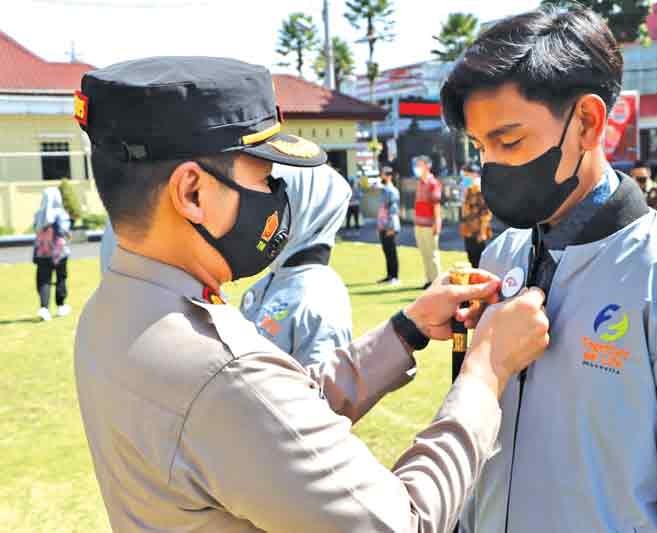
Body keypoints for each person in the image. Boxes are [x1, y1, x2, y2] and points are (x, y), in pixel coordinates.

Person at [73, 56, 553, 533]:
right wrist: (485, 372)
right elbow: (401, 524)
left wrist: (405, 330)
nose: (276, 196)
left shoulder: (117, 309)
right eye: (263, 178)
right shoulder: (219, 370)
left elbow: (271, 426)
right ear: (193, 193)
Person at [440, 7, 657, 532]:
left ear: (587, 121)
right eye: (480, 146)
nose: (490, 167)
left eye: (509, 141)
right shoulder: (500, 259)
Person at [239, 163, 353, 366]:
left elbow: (323, 393)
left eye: (275, 204)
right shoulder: (267, 283)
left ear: (306, 208)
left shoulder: (319, 301)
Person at [32, 187, 71, 321]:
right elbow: (64, 230)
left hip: (42, 252)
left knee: (44, 280)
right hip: (59, 252)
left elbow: (35, 229)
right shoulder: (61, 213)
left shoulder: (38, 214)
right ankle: (61, 305)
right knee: (61, 278)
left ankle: (44, 308)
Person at [413, 155, 442, 289]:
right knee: (424, 253)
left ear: (427, 166)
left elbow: (436, 204)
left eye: (420, 165)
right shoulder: (420, 182)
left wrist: (437, 222)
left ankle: (436, 282)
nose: (418, 168)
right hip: (419, 224)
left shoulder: (433, 183)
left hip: (429, 224)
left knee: (432, 254)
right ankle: (429, 280)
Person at [459, 162, 492, 268]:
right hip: (468, 229)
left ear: (474, 174)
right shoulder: (467, 188)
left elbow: (485, 212)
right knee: (471, 257)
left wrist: (482, 231)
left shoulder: (480, 188)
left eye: (466, 174)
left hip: (478, 230)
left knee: (479, 258)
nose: (465, 177)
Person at [376, 165, 401, 284]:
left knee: (391, 251)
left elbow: (393, 210)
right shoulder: (383, 190)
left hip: (389, 224)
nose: (382, 176)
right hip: (383, 224)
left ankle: (395, 276)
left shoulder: (392, 191)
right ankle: (389, 275)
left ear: (389, 176)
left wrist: (391, 226)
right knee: (386, 250)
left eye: (384, 174)